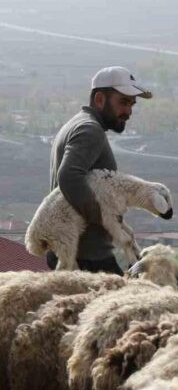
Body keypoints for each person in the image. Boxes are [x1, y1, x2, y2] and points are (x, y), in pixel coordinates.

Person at [46, 66, 153, 274]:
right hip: (87, 256)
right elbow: (69, 177)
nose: (129, 111)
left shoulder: (78, 124)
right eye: (123, 102)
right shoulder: (90, 130)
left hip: (73, 251)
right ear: (100, 100)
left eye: (132, 104)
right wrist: (104, 217)